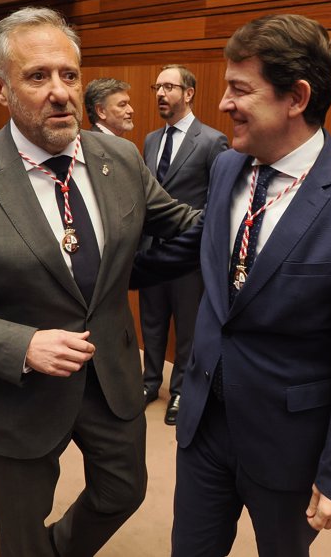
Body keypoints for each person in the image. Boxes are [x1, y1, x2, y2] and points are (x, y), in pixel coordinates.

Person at [0, 6, 198, 557]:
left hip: (110, 377)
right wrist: (22, 345)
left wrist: (259, 204)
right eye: (38, 77)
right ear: (1, 89)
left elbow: (181, 225)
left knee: (124, 491)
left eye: (69, 75)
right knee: (22, 532)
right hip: (14, 393)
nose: (60, 92)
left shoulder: (121, 157)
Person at [133, 14, 331, 556]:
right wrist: (100, 276)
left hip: (288, 446)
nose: (222, 104)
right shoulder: (227, 168)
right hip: (203, 425)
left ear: (297, 97)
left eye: (240, 89)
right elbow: (206, 248)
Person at [140, 65, 228, 425]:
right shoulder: (149, 140)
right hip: (151, 251)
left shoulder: (212, 141)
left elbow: (217, 199)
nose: (161, 94)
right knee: (152, 322)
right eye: (157, 87)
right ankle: (148, 383)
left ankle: (180, 391)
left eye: (169, 87)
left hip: (188, 256)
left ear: (189, 93)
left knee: (188, 327)